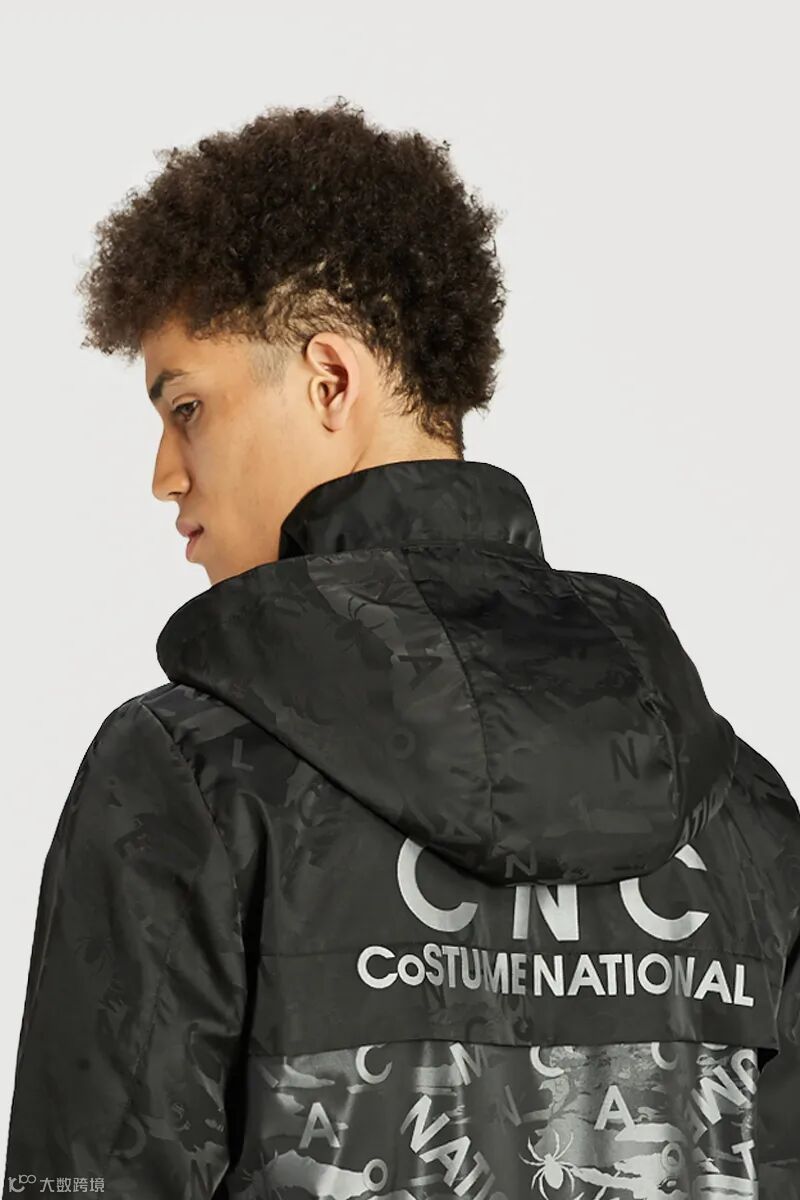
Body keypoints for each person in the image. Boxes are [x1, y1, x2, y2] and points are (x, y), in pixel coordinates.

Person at [3, 97, 798, 1200]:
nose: (164, 475)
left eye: (185, 407)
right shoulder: (737, 809)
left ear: (330, 380)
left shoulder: (185, 780)